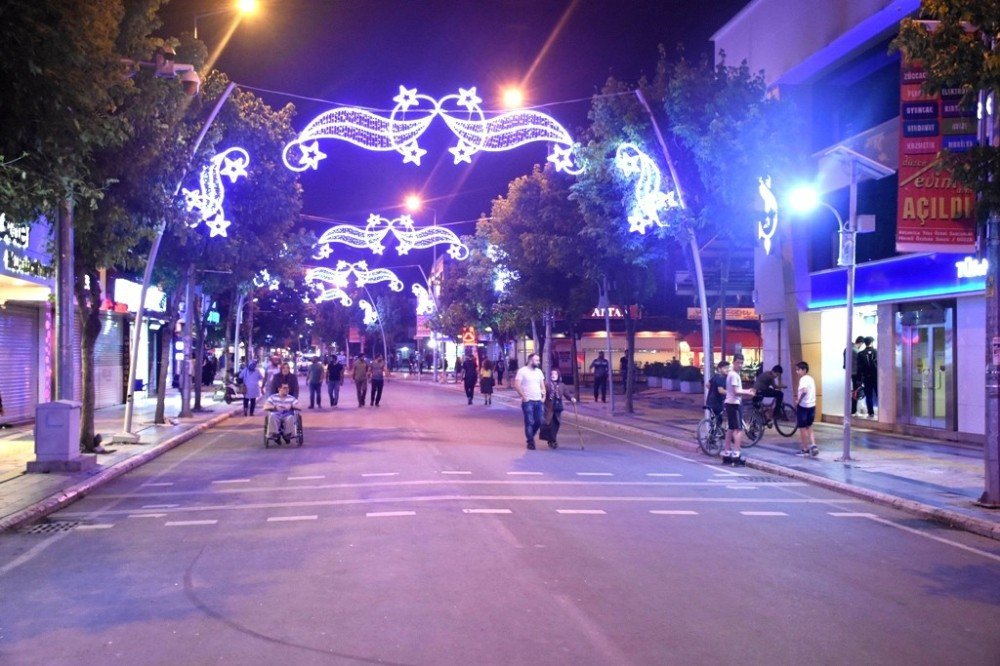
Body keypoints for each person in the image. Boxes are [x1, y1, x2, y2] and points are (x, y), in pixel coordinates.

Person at [722, 353, 755, 466]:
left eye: (741, 363)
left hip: (730, 403)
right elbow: (736, 391)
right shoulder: (734, 375)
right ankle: (736, 454)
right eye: (738, 363)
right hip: (734, 404)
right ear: (733, 362)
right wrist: (748, 391)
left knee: (731, 429)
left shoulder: (731, 374)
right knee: (738, 430)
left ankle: (726, 453)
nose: (740, 365)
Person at [514, 353, 546, 450]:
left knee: (540, 420)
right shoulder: (522, 371)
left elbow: (542, 385)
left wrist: (543, 396)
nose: (538, 362)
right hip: (528, 401)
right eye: (536, 360)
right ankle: (530, 441)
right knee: (529, 421)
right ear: (530, 360)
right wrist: (524, 397)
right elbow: (517, 385)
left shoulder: (539, 372)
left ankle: (531, 433)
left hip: (538, 400)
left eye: (538, 360)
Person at [542, 369, 576, 449]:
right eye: (552, 374)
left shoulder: (562, 385)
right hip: (548, 407)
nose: (553, 376)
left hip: (557, 407)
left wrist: (572, 398)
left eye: (555, 374)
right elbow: (543, 394)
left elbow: (567, 394)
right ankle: (552, 440)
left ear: (558, 376)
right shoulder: (547, 385)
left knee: (556, 424)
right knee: (548, 424)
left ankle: (552, 439)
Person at [794, 361, 819, 456]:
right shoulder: (811, 379)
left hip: (803, 406)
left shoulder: (803, 379)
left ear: (804, 370)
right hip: (812, 406)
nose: (797, 371)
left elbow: (804, 391)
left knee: (802, 428)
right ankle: (813, 445)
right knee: (809, 426)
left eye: (798, 369)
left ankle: (805, 448)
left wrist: (798, 401)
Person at [858, 336, 878, 417]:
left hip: (866, 378)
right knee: (879, 394)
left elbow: (859, 368)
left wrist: (860, 379)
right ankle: (883, 413)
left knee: (868, 395)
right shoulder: (876, 352)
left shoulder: (860, 354)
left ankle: (871, 412)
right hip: (877, 377)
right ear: (872, 342)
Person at [844, 336, 865, 415]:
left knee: (854, 391)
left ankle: (854, 410)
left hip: (850, 373)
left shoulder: (847, 349)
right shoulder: (856, 351)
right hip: (856, 374)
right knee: (856, 391)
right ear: (860, 343)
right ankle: (854, 410)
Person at [705, 359, 729, 426]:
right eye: (725, 368)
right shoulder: (721, 378)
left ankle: (712, 433)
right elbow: (720, 390)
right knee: (719, 419)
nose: (727, 369)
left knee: (714, 418)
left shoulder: (715, 376)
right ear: (719, 369)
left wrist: (713, 390)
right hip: (717, 402)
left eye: (727, 368)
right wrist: (730, 393)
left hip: (710, 401)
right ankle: (716, 433)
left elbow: (707, 385)